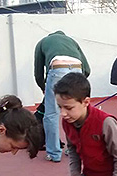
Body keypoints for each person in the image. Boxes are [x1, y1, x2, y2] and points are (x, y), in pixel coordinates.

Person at [34, 31, 91, 163]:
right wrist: (79, 85)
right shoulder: (71, 41)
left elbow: (38, 72)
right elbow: (87, 69)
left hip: (57, 68)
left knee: (51, 113)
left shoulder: (42, 42)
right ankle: (75, 148)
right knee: (76, 111)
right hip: (77, 68)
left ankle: (54, 154)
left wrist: (43, 87)